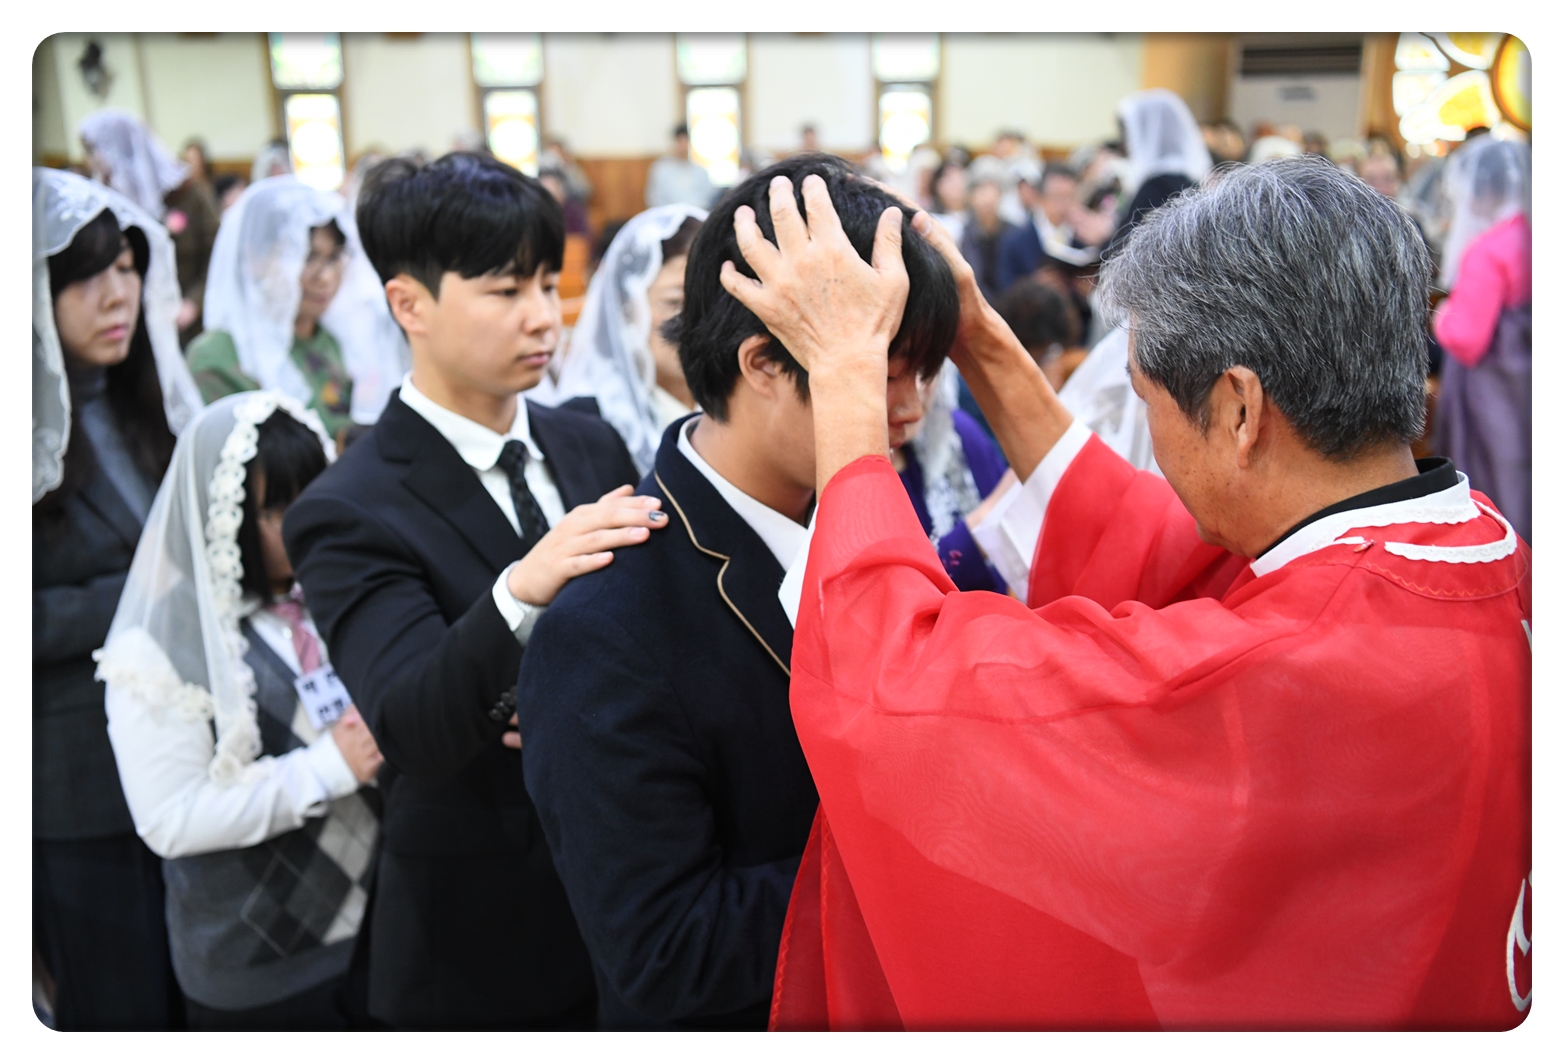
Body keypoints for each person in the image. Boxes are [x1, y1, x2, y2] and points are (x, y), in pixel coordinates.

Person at [719, 153, 1528, 1031]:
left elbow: (895, 689)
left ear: (1240, 410)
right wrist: (979, 339)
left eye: (1146, 398)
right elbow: (1155, 542)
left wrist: (845, 372)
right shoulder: (1477, 551)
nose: (1152, 440)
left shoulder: (1294, 668)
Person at [516, 155, 957, 1030]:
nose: (911, 409)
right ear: (762, 363)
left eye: (925, 372)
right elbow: (667, 952)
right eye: (882, 371)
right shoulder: (606, 627)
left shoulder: (866, 520)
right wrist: (928, 856)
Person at [282, 151, 663, 1030]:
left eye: (548, 284)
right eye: (505, 290)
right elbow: (413, 727)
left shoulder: (589, 442)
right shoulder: (347, 507)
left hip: (631, 890)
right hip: (484, 929)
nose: (543, 317)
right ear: (409, 304)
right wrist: (522, 587)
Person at [99, 393, 383, 1030]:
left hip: (381, 929)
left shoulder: (335, 592)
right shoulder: (157, 648)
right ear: (218, 514)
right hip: (260, 964)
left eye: (317, 493)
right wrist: (325, 769)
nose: (308, 521)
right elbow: (170, 818)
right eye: (278, 509)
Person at [33, 167, 202, 1031]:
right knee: (119, 1005)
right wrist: (137, 597)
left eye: (129, 269)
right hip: (75, 772)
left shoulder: (145, 411)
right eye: (86, 276)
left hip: (179, 748)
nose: (117, 295)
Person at [186, 176, 409, 441]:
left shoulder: (334, 338)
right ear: (255, 258)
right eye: (307, 257)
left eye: (334, 258)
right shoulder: (219, 357)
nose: (326, 277)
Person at [542, 205, 707, 474]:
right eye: (675, 303)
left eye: (710, 301)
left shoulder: (737, 409)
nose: (698, 321)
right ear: (628, 311)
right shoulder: (582, 423)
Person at [1431, 137, 1531, 542]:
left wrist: (1441, 317)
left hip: (1497, 390)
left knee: (1499, 480)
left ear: (1484, 191)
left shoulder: (1489, 250)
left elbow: (1467, 338)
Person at [79, 110, 218, 346]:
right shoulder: (102, 202)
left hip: (188, 324)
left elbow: (216, 255)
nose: (91, 161)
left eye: (94, 151)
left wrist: (193, 303)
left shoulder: (187, 194)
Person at [1102, 88, 1212, 259]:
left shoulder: (1158, 185)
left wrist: (1103, 240)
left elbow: (1125, 248)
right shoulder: (1183, 178)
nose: (1125, 145)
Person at [997, 163, 1096, 293]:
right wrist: (1034, 286)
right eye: (1058, 197)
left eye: (1070, 197)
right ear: (1040, 197)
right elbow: (1005, 290)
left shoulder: (1083, 239)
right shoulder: (1015, 241)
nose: (1064, 205)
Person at [957, 157, 1014, 303]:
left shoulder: (1013, 232)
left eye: (992, 189)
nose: (987, 198)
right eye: (981, 189)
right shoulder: (964, 233)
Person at [646, 124, 717, 210]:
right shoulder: (661, 169)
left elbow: (709, 197)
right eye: (680, 142)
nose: (683, 146)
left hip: (696, 212)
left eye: (686, 142)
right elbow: (654, 198)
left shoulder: (700, 170)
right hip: (669, 213)